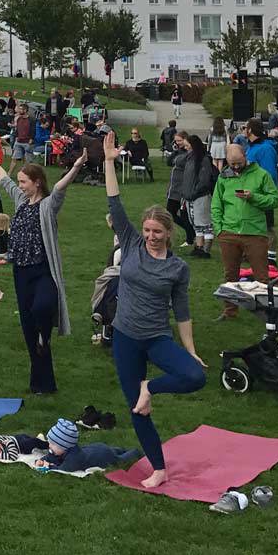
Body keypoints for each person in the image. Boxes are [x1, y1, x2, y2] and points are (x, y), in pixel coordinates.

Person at [101, 133, 206, 488]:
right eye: (147, 230)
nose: (150, 236)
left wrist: (190, 349)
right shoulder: (131, 243)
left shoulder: (177, 268)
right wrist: (109, 161)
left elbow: (183, 311)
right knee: (137, 407)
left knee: (195, 376)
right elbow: (114, 202)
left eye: (157, 231)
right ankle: (159, 468)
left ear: (169, 232)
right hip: (125, 337)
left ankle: (150, 386)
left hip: (156, 337)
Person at [0, 138, 89, 394]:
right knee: (28, 329)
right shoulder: (21, 201)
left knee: (41, 307)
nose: (19, 185)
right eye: (19, 182)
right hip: (20, 272)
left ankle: (44, 333)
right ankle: (42, 384)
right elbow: (2, 178)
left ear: (37, 183)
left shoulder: (48, 206)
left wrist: (76, 167)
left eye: (24, 182)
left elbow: (60, 188)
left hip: (42, 271)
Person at [212, 143, 278, 319]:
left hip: (255, 233)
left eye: (239, 163)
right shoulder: (223, 177)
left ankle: (266, 312)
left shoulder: (261, 175)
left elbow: (274, 200)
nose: (235, 167)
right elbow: (216, 205)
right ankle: (230, 311)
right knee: (230, 276)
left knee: (261, 276)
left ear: (245, 156)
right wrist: (219, 229)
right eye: (232, 164)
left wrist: (253, 197)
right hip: (228, 233)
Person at [238, 118, 278, 256]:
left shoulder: (265, 148)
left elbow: (269, 174)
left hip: (262, 195)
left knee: (266, 227)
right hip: (249, 194)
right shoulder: (251, 147)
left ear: (250, 130)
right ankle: (251, 252)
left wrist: (261, 194)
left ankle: (270, 255)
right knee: (250, 224)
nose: (243, 130)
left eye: (244, 127)